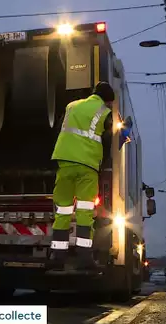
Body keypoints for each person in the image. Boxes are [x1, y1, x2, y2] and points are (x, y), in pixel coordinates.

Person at [50, 82, 118, 271]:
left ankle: (58, 255)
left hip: (64, 161)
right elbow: (108, 140)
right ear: (107, 100)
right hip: (87, 165)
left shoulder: (71, 106)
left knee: (63, 209)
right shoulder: (104, 113)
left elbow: (58, 129)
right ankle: (84, 257)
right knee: (85, 210)